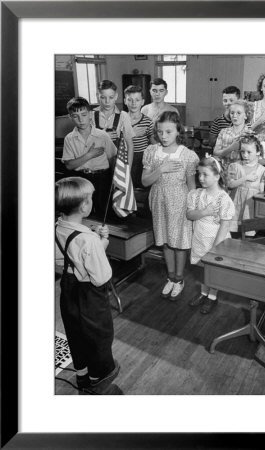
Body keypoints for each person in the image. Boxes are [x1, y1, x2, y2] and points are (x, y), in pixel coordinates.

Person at [55, 177, 120, 393]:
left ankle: (82, 377)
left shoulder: (56, 227)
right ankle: (97, 382)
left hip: (68, 293)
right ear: (84, 205)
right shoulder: (88, 239)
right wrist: (102, 245)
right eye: (90, 198)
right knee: (97, 339)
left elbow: (63, 259)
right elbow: (101, 277)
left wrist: (96, 243)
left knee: (75, 334)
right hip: (90, 298)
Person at [142, 111, 199, 301]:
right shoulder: (151, 152)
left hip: (180, 201)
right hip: (158, 199)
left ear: (177, 131)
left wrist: (192, 207)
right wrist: (161, 169)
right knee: (166, 240)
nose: (164, 136)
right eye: (160, 132)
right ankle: (171, 277)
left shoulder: (188, 155)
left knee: (179, 242)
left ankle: (179, 279)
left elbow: (191, 185)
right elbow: (145, 181)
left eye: (168, 131)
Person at [187, 156, 235, 314]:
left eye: (205, 174)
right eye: (199, 174)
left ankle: (212, 297)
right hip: (200, 237)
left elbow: (224, 226)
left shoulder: (224, 200)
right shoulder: (196, 194)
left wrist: (216, 248)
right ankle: (203, 293)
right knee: (202, 268)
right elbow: (190, 215)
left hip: (216, 241)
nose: (200, 178)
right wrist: (204, 212)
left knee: (213, 270)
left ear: (217, 176)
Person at [62, 97, 117, 218]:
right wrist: (89, 155)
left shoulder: (102, 136)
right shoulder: (69, 138)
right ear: (70, 117)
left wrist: (114, 180)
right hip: (81, 179)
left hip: (103, 178)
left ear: (90, 114)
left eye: (84, 114)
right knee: (84, 211)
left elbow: (112, 158)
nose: (81, 119)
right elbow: (69, 165)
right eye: (75, 116)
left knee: (104, 211)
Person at [227, 135, 265, 236]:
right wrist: (245, 178)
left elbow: (261, 190)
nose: (245, 155)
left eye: (249, 152)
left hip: (250, 208)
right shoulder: (236, 166)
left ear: (258, 152)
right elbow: (230, 185)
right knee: (234, 235)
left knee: (248, 236)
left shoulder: (262, 170)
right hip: (236, 206)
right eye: (242, 151)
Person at [91, 79, 135, 169]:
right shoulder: (90, 115)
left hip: (116, 165)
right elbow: (84, 144)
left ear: (116, 96)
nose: (107, 101)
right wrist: (103, 136)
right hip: (95, 164)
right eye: (103, 97)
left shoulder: (123, 116)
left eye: (111, 97)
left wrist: (128, 169)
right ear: (97, 96)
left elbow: (130, 146)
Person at [124, 85, 154, 189]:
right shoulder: (120, 120)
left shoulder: (148, 121)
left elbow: (153, 143)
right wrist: (132, 133)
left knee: (142, 188)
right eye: (130, 100)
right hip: (125, 158)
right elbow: (116, 142)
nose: (133, 103)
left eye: (137, 100)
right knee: (127, 188)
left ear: (142, 102)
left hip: (143, 159)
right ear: (125, 101)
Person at [213, 99, 251, 183]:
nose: (235, 116)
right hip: (224, 172)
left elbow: (253, 158)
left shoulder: (250, 134)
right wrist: (231, 148)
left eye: (238, 113)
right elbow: (215, 152)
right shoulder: (223, 132)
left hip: (242, 173)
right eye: (232, 113)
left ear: (246, 115)